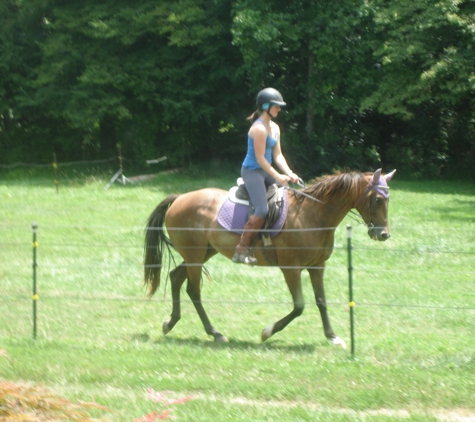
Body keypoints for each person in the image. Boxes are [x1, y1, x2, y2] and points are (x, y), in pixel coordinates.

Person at [232, 87, 299, 264]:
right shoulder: (259, 128)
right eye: (276, 106)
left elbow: (277, 155)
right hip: (252, 172)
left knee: (288, 194)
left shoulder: (275, 128)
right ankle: (242, 249)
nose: (279, 109)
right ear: (266, 106)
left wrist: (289, 173)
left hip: (265, 170)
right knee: (262, 209)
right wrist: (278, 176)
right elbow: (261, 159)